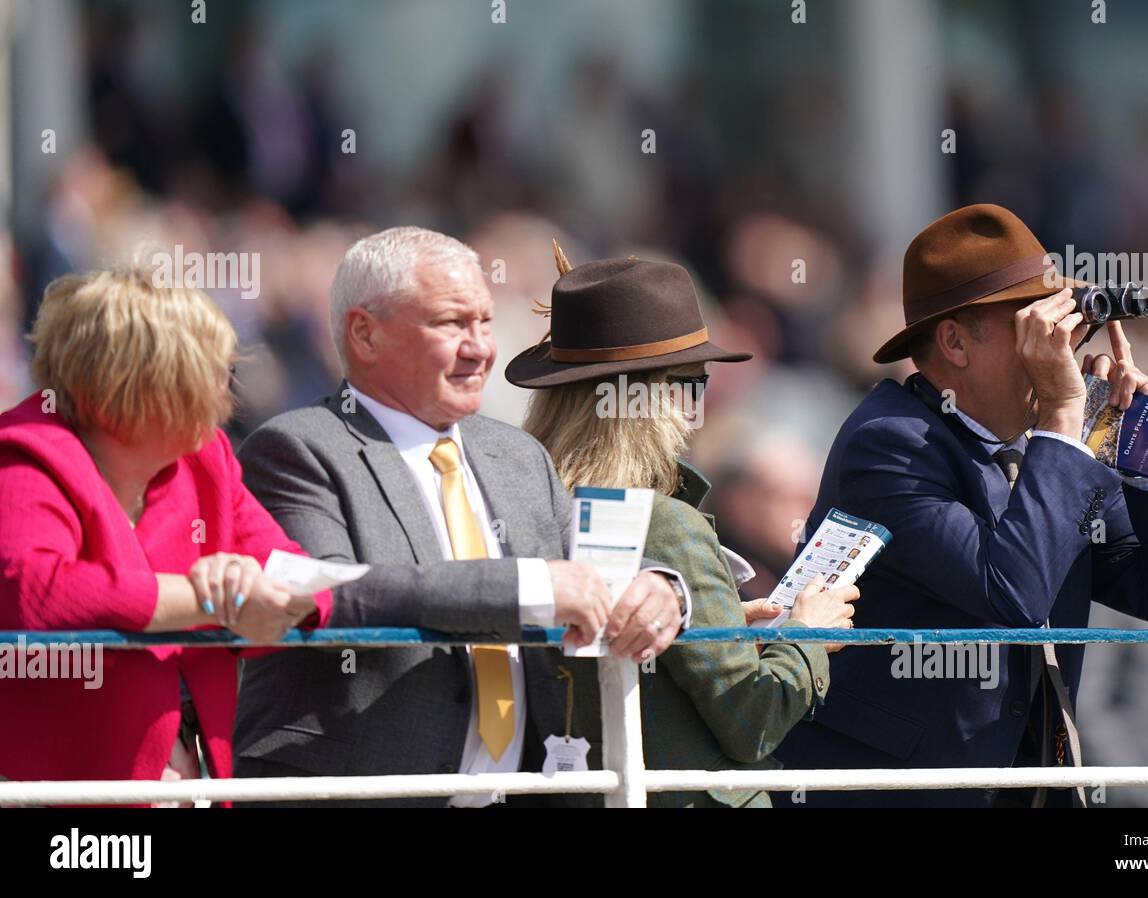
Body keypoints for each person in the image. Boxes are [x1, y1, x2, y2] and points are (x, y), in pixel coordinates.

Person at [775, 204, 1148, 807]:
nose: (1063, 348)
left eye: (1069, 324)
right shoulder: (890, 444)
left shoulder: (1052, 449)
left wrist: (1141, 446)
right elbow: (1011, 592)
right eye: (1035, 326)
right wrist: (1066, 423)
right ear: (956, 341)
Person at [232, 227, 687, 807]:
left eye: (485, 322)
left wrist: (660, 587)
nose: (480, 348)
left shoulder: (517, 456)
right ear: (364, 334)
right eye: (451, 324)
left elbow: (580, 561)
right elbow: (321, 593)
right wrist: (528, 586)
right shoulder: (295, 449)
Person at [507, 255, 859, 807]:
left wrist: (721, 624)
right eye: (694, 381)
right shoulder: (666, 522)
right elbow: (754, 722)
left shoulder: (534, 508)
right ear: (648, 399)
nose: (702, 400)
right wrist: (807, 637)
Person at [0, 266, 331, 801]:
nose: (226, 395)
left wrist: (262, 593)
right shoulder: (24, 456)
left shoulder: (205, 462)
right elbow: (38, 594)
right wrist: (211, 599)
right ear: (133, 386)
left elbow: (305, 577)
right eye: (205, 374)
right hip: (55, 796)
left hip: (191, 784)